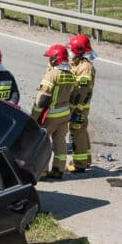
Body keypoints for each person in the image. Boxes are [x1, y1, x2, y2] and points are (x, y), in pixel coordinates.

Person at [32, 44, 76, 180]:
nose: (49, 60)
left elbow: (42, 99)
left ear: (56, 59)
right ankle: (58, 170)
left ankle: (43, 172)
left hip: (50, 116)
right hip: (64, 115)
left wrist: (33, 117)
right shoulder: (70, 75)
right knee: (60, 142)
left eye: (50, 57)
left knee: (43, 144)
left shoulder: (51, 75)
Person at [67, 34, 97, 173]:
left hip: (79, 107)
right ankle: (86, 160)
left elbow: (82, 91)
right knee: (81, 130)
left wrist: (76, 109)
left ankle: (79, 164)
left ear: (79, 51)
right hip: (77, 105)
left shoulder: (85, 68)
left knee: (77, 131)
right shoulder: (78, 63)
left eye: (72, 49)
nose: (70, 51)